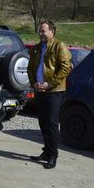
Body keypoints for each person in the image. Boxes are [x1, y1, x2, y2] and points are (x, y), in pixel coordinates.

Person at [26, 20, 72, 169]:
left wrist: (49, 83)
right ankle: (46, 152)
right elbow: (30, 68)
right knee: (43, 123)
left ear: (52, 31)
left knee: (52, 124)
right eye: (39, 30)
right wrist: (34, 83)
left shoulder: (60, 46)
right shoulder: (36, 48)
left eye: (43, 30)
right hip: (39, 90)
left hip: (54, 91)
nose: (40, 33)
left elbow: (66, 68)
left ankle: (53, 155)